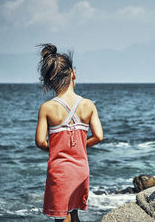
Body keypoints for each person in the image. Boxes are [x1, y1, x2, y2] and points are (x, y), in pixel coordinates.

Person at [35, 44, 103, 222]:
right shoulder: (88, 105)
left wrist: (57, 148)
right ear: (73, 73)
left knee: (60, 216)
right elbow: (99, 136)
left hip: (60, 171)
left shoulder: (47, 108)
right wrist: (81, 146)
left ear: (49, 79)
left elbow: (41, 142)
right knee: (74, 213)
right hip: (81, 170)